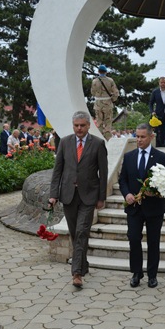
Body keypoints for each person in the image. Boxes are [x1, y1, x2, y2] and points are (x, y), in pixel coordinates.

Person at [48, 111, 108, 288]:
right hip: (68, 196)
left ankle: (76, 273)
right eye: (76, 125)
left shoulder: (97, 144)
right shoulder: (65, 142)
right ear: (73, 125)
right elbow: (57, 170)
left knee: (82, 231)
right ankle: (84, 264)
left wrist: (101, 197)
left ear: (89, 125)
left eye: (82, 125)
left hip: (89, 196)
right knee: (75, 233)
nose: (79, 128)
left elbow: (103, 174)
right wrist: (53, 194)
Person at [118, 123, 165, 289]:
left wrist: (155, 193)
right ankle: (136, 273)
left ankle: (152, 275)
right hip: (134, 208)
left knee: (153, 242)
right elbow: (122, 180)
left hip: (154, 208)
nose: (139, 140)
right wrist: (126, 194)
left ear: (151, 137)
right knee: (133, 239)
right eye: (137, 136)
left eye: (142, 137)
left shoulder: (162, 157)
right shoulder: (129, 156)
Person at [91, 64, 119, 140]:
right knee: (108, 123)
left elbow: (93, 92)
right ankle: (108, 140)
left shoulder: (94, 81)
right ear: (106, 72)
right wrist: (113, 99)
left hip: (98, 104)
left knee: (99, 123)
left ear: (98, 71)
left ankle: (99, 140)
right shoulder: (110, 81)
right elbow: (116, 93)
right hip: (107, 103)